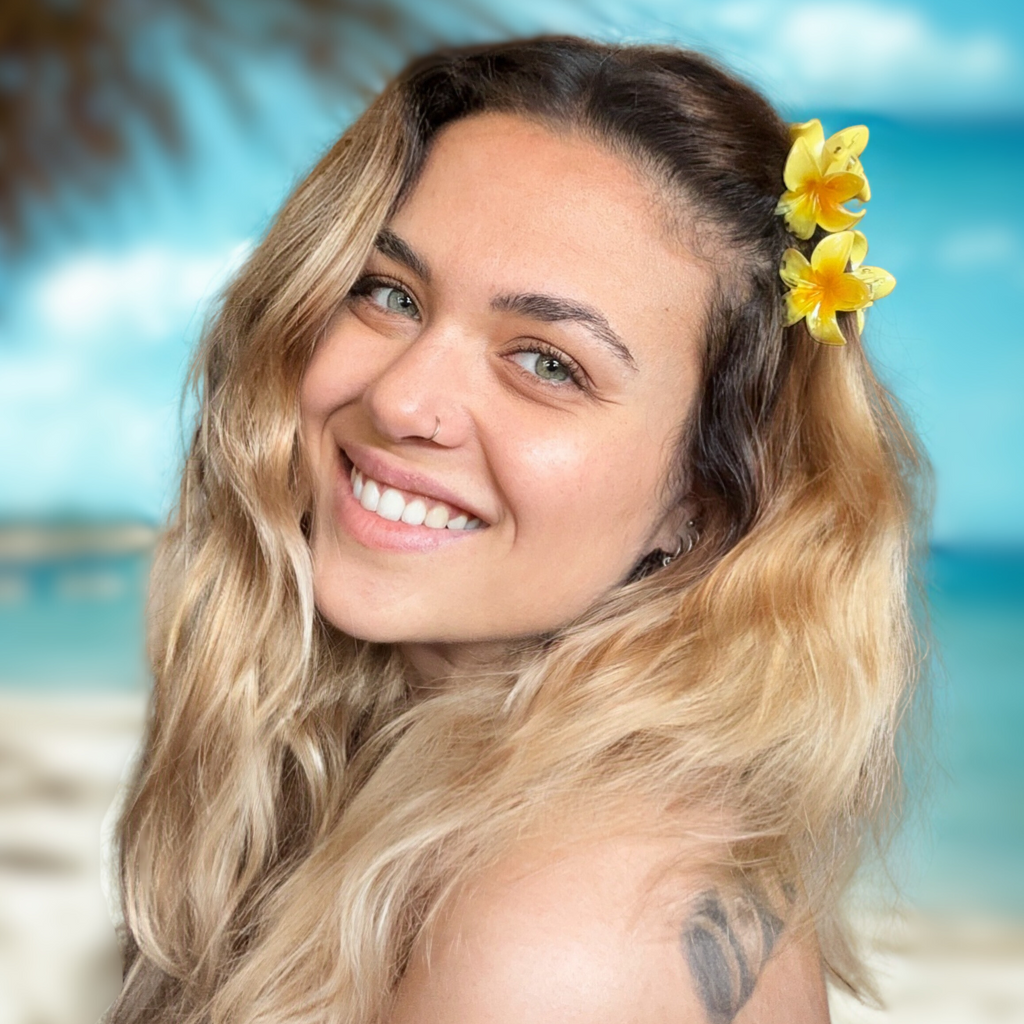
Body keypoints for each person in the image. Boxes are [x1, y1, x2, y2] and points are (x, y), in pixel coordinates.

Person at [109, 35, 922, 1024]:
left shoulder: (557, 943)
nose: (405, 396)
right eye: (390, 294)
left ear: (699, 504)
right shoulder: (518, 824)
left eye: (545, 362)